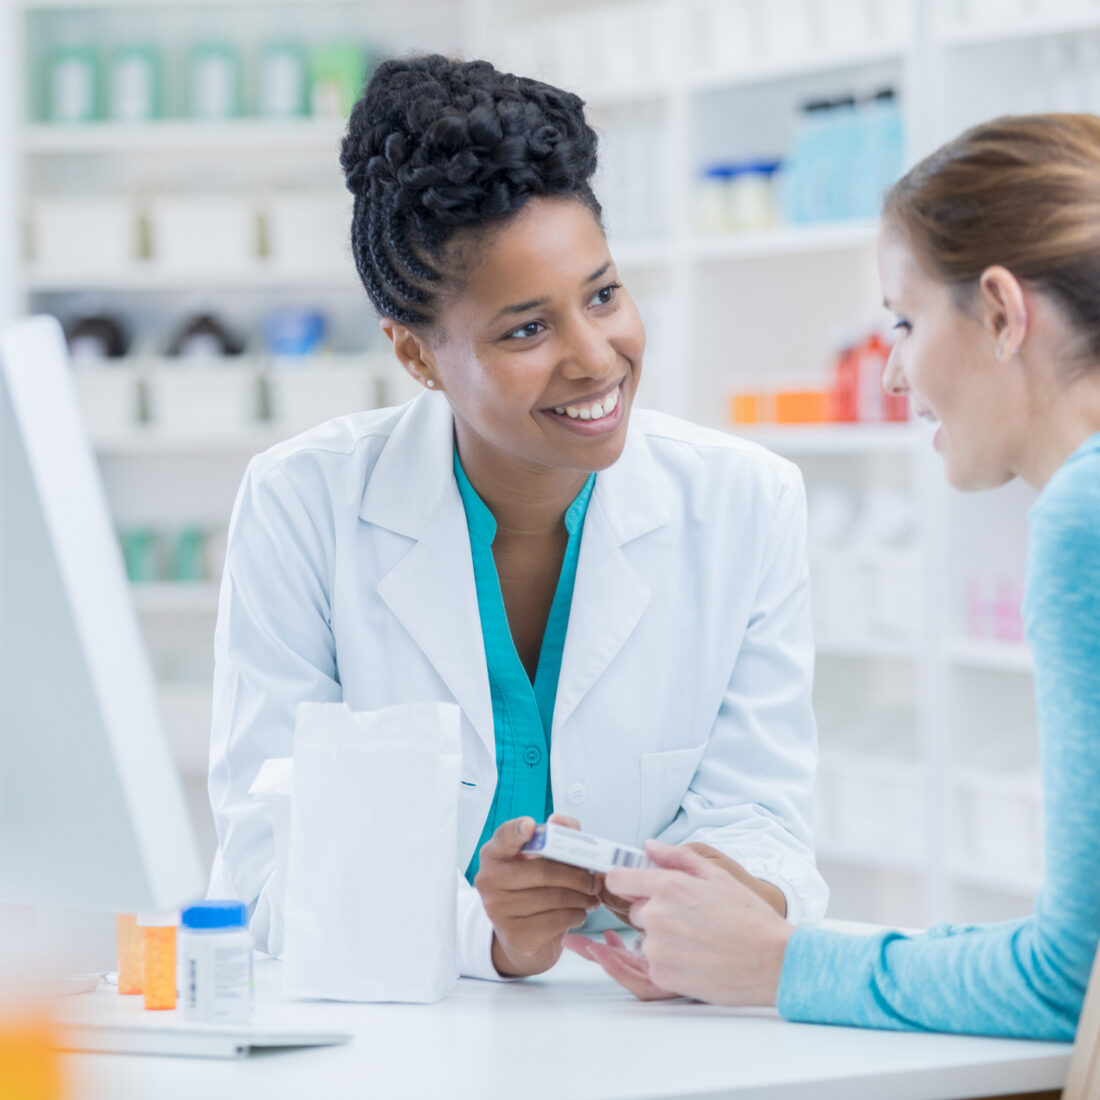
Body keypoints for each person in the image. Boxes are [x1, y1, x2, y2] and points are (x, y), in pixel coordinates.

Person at [206, 54, 829, 981]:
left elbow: (765, 816)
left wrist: (714, 901)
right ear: (417, 356)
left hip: (650, 1031)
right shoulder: (305, 505)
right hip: (392, 1040)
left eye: (604, 295)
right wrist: (491, 937)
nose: (596, 359)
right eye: (527, 330)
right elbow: (268, 868)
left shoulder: (744, 502)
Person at [568, 112, 1100, 1041]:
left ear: (1005, 313)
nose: (892, 373)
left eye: (904, 320)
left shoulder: (1084, 518)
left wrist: (776, 965)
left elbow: (1075, 980)